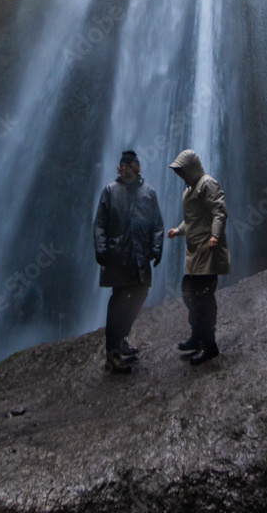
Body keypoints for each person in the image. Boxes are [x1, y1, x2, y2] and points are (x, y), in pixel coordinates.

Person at [93, 149, 164, 372]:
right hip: (118, 258)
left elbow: (158, 226)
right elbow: (99, 225)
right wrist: (102, 251)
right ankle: (112, 353)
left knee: (140, 294)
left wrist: (156, 248)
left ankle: (122, 338)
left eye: (131, 165)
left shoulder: (148, 193)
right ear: (119, 168)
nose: (128, 168)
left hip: (141, 258)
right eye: (124, 165)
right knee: (118, 302)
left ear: (138, 167)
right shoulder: (110, 191)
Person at [167, 148, 230, 366]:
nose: (180, 175)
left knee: (203, 296)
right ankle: (196, 336)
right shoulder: (190, 189)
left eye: (182, 170)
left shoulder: (207, 184)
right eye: (178, 171)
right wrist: (178, 230)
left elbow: (218, 211)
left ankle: (209, 344)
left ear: (192, 167)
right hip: (194, 251)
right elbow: (193, 220)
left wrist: (215, 234)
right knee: (189, 291)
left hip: (207, 249)